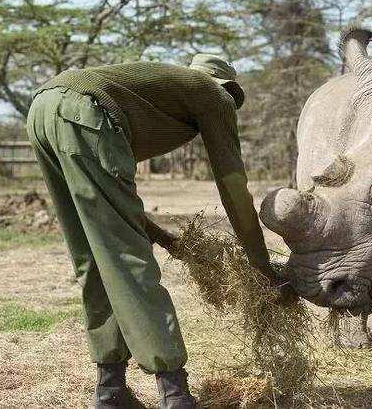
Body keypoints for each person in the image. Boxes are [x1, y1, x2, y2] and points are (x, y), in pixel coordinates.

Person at [26, 54, 286, 409]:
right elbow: (233, 187)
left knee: (94, 256)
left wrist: (168, 240)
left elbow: (118, 206)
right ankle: (174, 393)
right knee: (127, 261)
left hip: (42, 108)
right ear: (227, 88)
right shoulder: (214, 95)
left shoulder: (155, 93)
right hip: (83, 110)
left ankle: (110, 390)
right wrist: (261, 267)